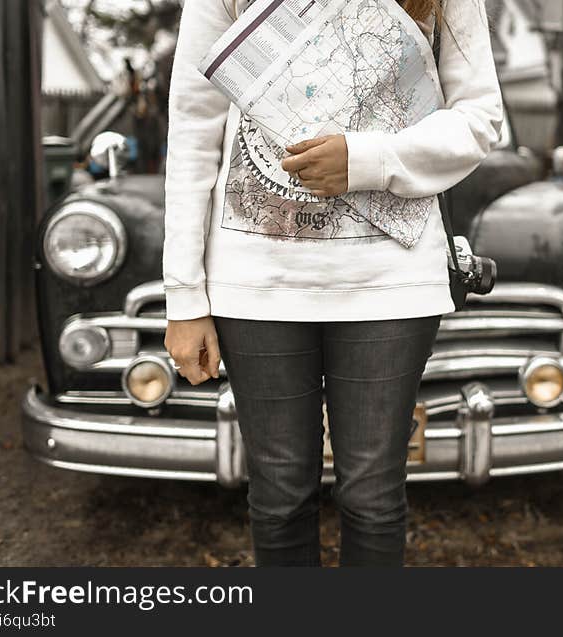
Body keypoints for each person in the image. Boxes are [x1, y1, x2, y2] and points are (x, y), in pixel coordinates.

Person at [163, 0, 503, 566]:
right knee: (278, 498)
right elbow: (193, 129)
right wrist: (184, 297)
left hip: (389, 282)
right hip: (257, 285)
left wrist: (370, 160)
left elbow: (479, 116)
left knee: (372, 499)